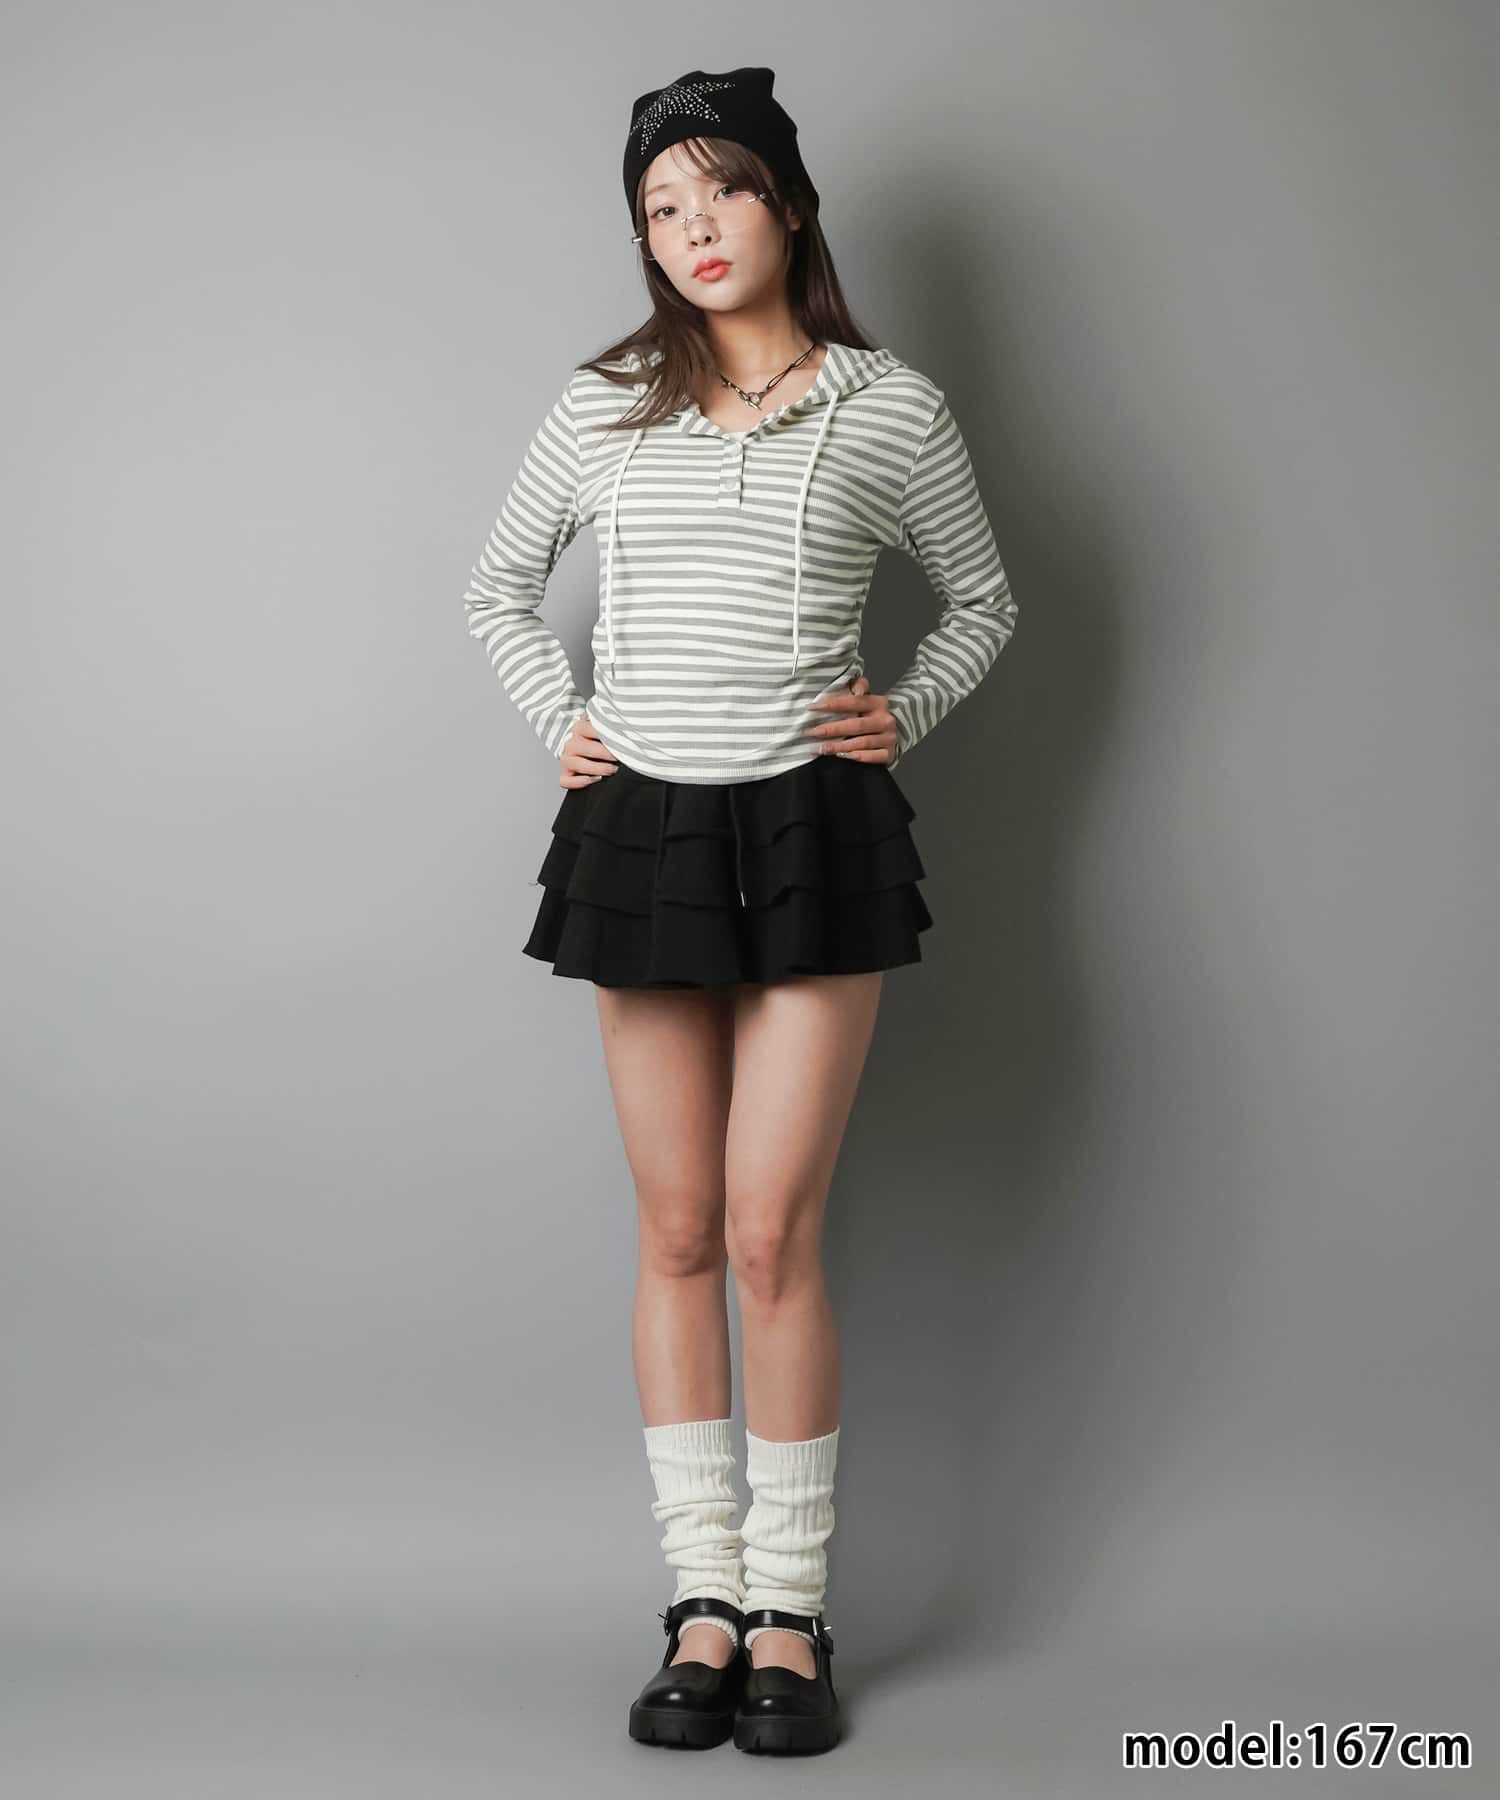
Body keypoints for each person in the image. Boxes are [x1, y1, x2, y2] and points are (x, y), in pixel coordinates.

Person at [460, 65, 1018, 1756]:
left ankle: (789, 1611)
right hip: (642, 829)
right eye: (661, 207)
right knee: (681, 1232)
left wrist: (902, 713)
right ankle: (700, 1601)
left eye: (722, 191)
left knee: (772, 1233)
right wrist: (561, 718)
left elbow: (983, 601)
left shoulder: (891, 408)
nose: (694, 228)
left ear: (787, 204)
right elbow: (497, 590)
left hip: (812, 829)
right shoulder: (604, 405)